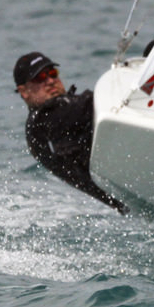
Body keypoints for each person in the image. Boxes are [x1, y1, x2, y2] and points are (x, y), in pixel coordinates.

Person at [14, 52, 127, 213]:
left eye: (53, 74)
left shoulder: (62, 107)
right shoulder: (42, 122)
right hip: (127, 186)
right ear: (24, 91)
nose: (50, 81)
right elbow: (81, 110)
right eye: (40, 78)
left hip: (128, 189)